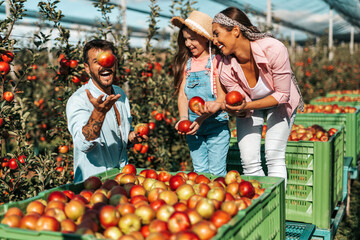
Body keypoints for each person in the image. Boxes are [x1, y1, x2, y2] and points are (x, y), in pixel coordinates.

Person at [209, 7, 304, 186]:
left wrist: (244, 106)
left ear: (235, 30)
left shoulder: (273, 48)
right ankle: (259, 203)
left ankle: (278, 206)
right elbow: (240, 101)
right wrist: (237, 109)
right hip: (251, 105)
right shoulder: (224, 65)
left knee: (274, 155)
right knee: (249, 159)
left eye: (216, 34)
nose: (214, 41)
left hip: (281, 103)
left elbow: (283, 95)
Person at [66, 39, 146, 183]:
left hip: (122, 180)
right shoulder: (79, 100)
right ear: (87, 67)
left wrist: (132, 137)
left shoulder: (120, 95)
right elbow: (82, 144)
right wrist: (99, 113)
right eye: (97, 62)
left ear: (115, 63)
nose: (105, 65)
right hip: (93, 187)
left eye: (109, 60)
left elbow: (121, 135)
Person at [171, 11, 230, 176]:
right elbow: (183, 95)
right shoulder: (188, 65)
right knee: (200, 173)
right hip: (193, 130)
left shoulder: (216, 62)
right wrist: (183, 118)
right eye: (185, 39)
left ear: (205, 37)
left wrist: (200, 118)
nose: (188, 43)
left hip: (216, 127)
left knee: (217, 172)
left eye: (192, 39)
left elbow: (221, 97)